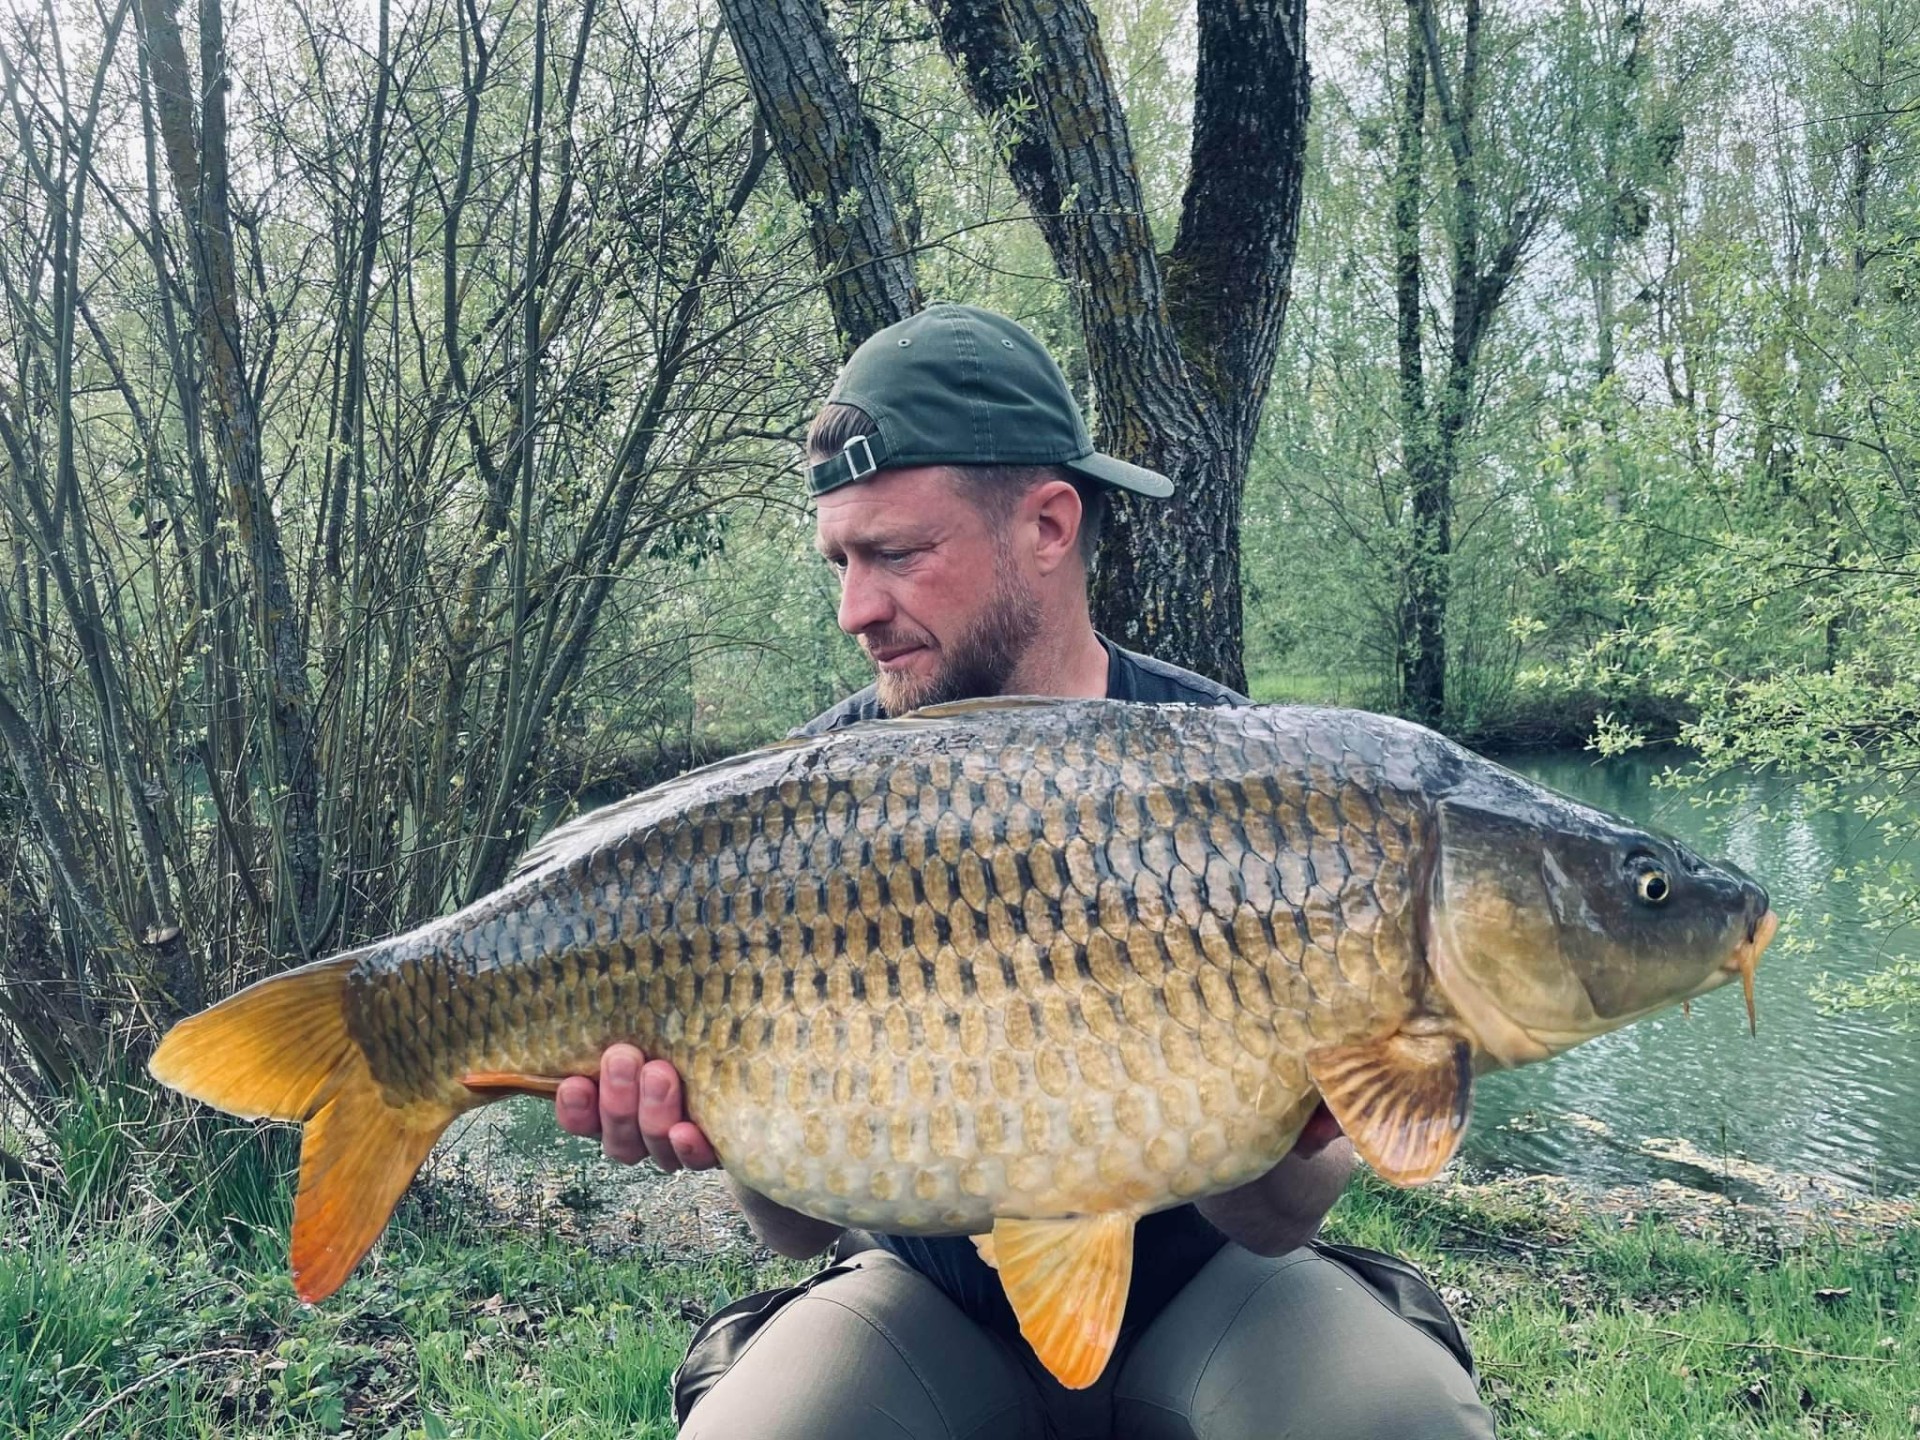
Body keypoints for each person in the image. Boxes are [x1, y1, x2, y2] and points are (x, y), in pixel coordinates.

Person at [554, 304, 1496, 1439]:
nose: (857, 609)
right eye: (842, 561)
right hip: (922, 1298)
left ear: (1049, 524)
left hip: (1208, 1288)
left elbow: (1281, 1218)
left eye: (896, 554)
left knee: (1398, 1420)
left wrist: (1268, 1115)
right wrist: (704, 1117)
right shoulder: (802, 813)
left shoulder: (1255, 784)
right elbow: (796, 1232)